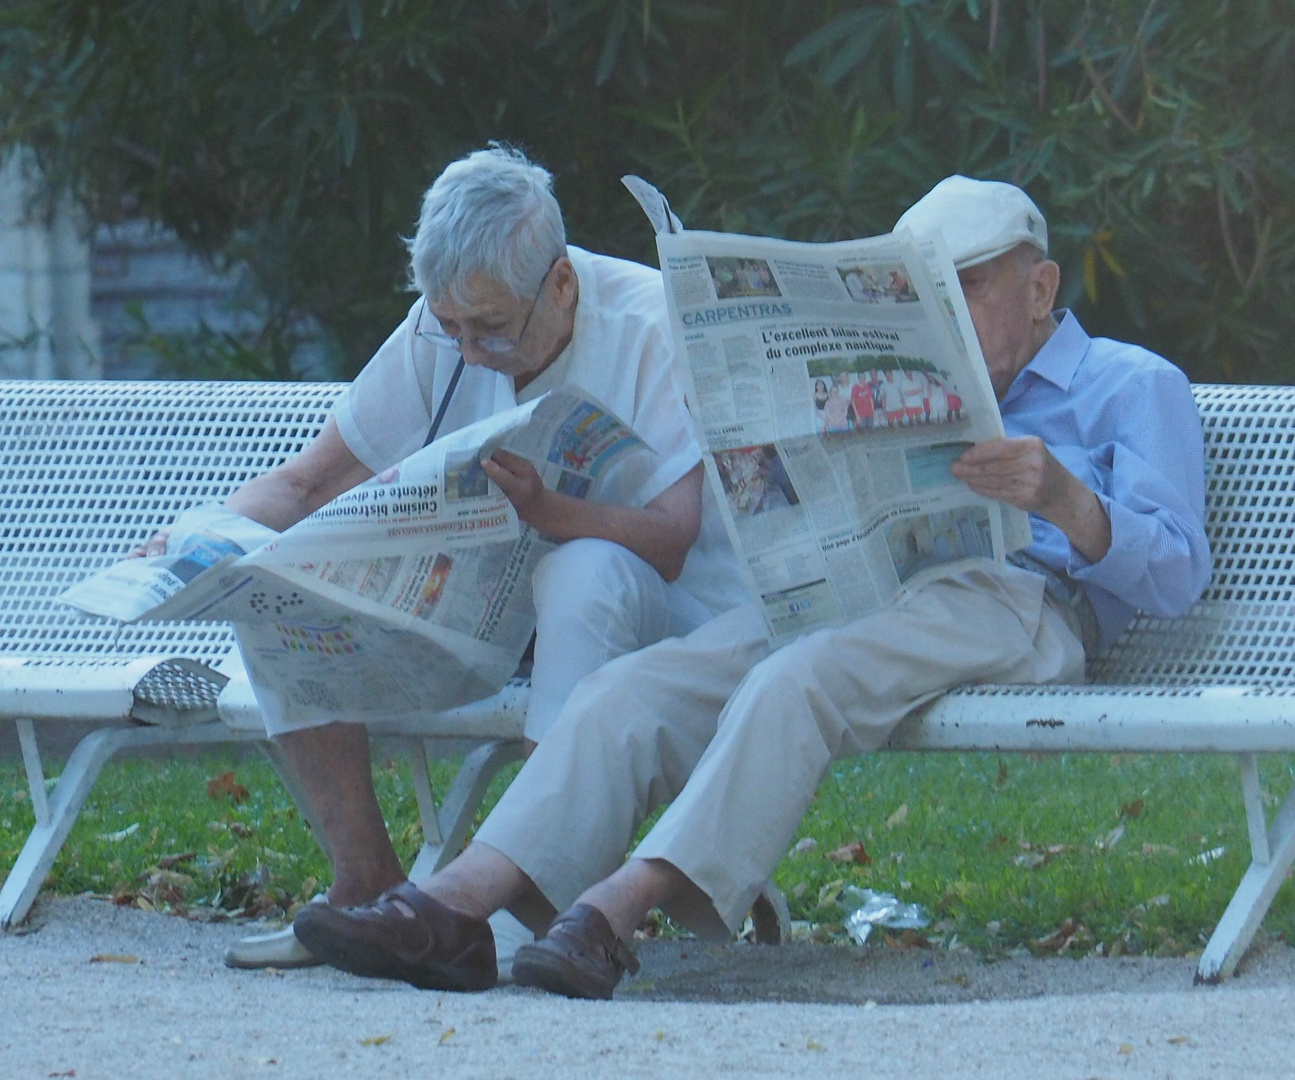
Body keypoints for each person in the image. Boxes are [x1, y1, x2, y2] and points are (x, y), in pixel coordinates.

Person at [290, 174, 1212, 1000]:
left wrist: (1061, 495)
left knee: (797, 678)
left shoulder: (1129, 384)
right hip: (874, 586)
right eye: (925, 294)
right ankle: (457, 906)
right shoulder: (907, 381)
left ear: (1039, 286)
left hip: (1023, 603)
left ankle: (613, 912)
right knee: (633, 690)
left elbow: (1174, 570)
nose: (948, 312)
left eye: (965, 288)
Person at [134, 145, 750, 970]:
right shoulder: (448, 322)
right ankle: (362, 884)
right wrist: (197, 537)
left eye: (490, 329)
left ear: (561, 285)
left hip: (657, 622)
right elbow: (311, 479)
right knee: (265, 586)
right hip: (483, 616)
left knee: (583, 569)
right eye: (449, 325)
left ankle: (527, 900)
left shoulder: (648, 324)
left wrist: (549, 511)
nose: (465, 351)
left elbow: (674, 537)